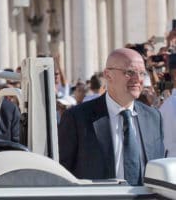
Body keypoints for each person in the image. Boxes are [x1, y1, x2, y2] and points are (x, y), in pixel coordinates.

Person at [58, 48, 165, 185]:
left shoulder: (153, 118)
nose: (138, 79)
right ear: (108, 75)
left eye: (142, 73)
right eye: (129, 72)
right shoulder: (78, 118)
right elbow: (63, 173)